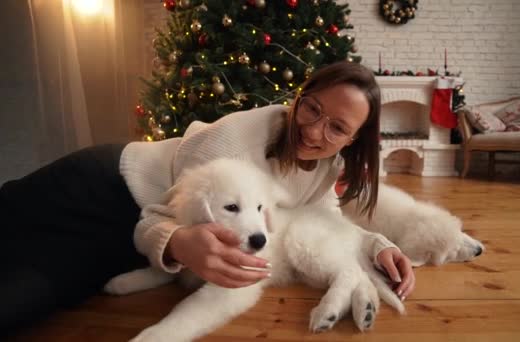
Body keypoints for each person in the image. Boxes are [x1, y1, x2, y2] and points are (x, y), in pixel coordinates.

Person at [0, 61, 415, 334]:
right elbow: (157, 217)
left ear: (353, 138)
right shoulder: (235, 142)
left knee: (24, 301)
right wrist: (180, 242)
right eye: (311, 109)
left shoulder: (328, 166)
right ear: (298, 98)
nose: (314, 131)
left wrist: (377, 246)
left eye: (337, 128)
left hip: (129, 244)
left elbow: (322, 215)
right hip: (102, 188)